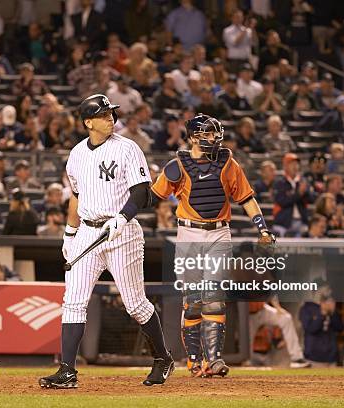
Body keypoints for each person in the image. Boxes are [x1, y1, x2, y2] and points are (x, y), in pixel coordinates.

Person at [39, 94, 174, 389]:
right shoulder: (76, 154)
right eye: (103, 115)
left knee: (135, 304)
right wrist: (70, 232)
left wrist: (122, 218)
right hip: (88, 231)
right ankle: (67, 370)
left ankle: (163, 357)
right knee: (73, 302)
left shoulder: (127, 148)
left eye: (111, 113)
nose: (110, 118)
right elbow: (75, 197)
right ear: (88, 122)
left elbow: (142, 193)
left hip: (122, 233)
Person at [151, 114, 275, 377]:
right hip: (188, 233)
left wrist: (262, 228)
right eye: (207, 134)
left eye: (215, 133)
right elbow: (155, 195)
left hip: (219, 233)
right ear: (194, 136)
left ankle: (214, 360)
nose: (213, 139)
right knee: (193, 300)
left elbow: (247, 198)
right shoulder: (178, 165)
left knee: (214, 298)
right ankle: (194, 360)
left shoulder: (228, 163)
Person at [299, 286, 344, 367]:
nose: (326, 294)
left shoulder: (331, 308)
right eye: (324, 291)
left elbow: (340, 328)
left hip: (331, 358)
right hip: (313, 358)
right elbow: (311, 329)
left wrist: (333, 313)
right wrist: (322, 314)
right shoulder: (306, 309)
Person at [272, 153, 315, 237]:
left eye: (296, 164)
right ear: (285, 166)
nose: (295, 166)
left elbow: (312, 199)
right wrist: (299, 193)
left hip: (301, 221)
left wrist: (305, 192)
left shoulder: (304, 181)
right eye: (291, 164)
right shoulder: (279, 183)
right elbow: (282, 201)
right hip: (283, 223)